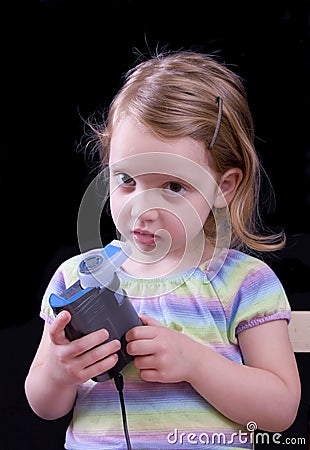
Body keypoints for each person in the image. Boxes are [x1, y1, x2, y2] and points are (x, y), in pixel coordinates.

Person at [25, 50, 301, 450]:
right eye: (126, 180)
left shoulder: (244, 282)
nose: (143, 208)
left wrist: (196, 364)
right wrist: (59, 369)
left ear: (223, 187)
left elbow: (280, 412)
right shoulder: (78, 277)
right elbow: (44, 405)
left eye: (173, 187)